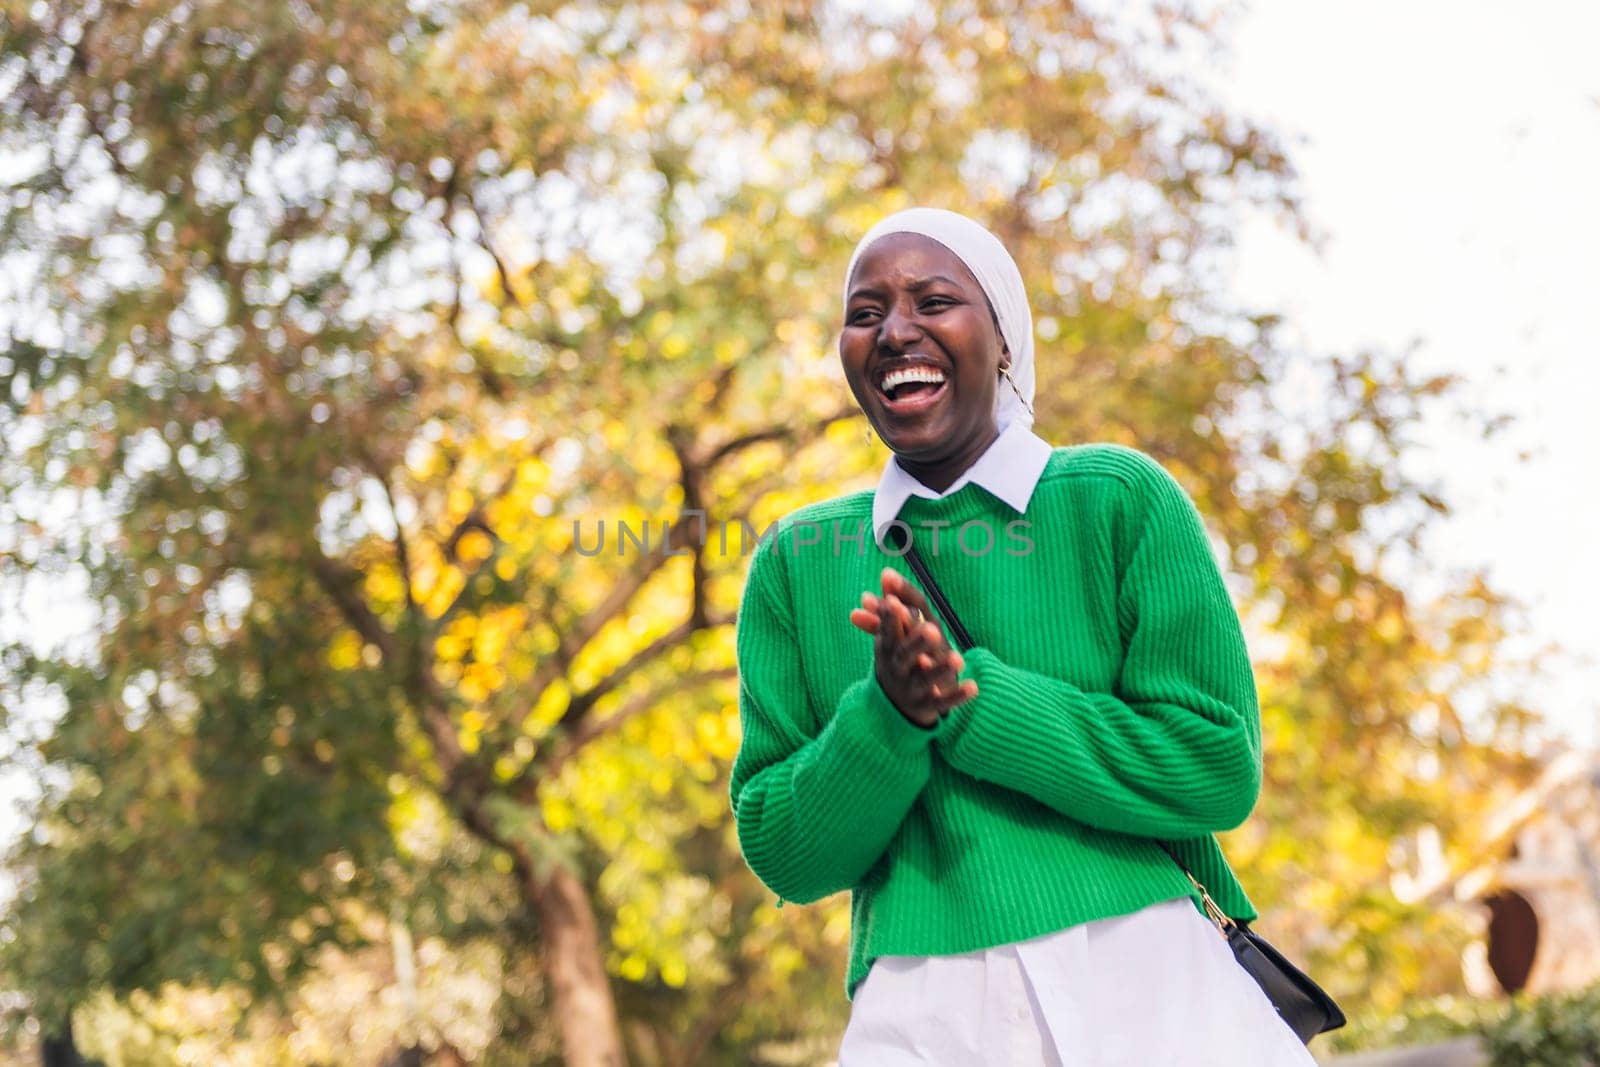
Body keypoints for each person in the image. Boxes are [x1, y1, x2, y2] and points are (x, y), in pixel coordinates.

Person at [728, 207, 1317, 1065]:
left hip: (1150, 980)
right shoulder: (797, 559)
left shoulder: (1116, 500)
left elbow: (1217, 767)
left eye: (934, 300)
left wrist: (972, 701)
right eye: (865, 313)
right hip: (919, 1007)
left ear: (1001, 339)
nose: (896, 331)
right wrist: (887, 717)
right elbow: (785, 852)